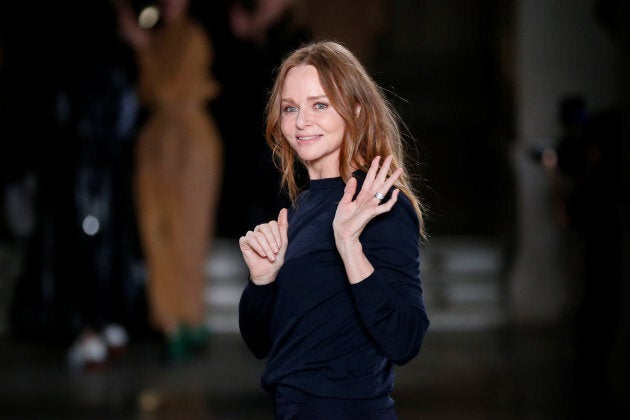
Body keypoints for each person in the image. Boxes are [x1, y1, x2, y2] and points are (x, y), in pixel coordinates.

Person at [238, 40, 430, 418]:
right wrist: (263, 282)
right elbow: (263, 344)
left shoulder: (376, 203)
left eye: (320, 105)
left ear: (355, 110)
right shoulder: (302, 209)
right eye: (290, 108)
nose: (301, 121)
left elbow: (406, 340)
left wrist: (349, 245)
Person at [113, 0, 223, 363]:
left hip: (189, 142)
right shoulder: (161, 37)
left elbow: (170, 87)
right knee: (156, 229)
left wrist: (143, 47)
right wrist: (145, 47)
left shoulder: (192, 37)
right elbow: (148, 90)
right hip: (158, 140)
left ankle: (189, 319)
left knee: (189, 233)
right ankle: (170, 321)